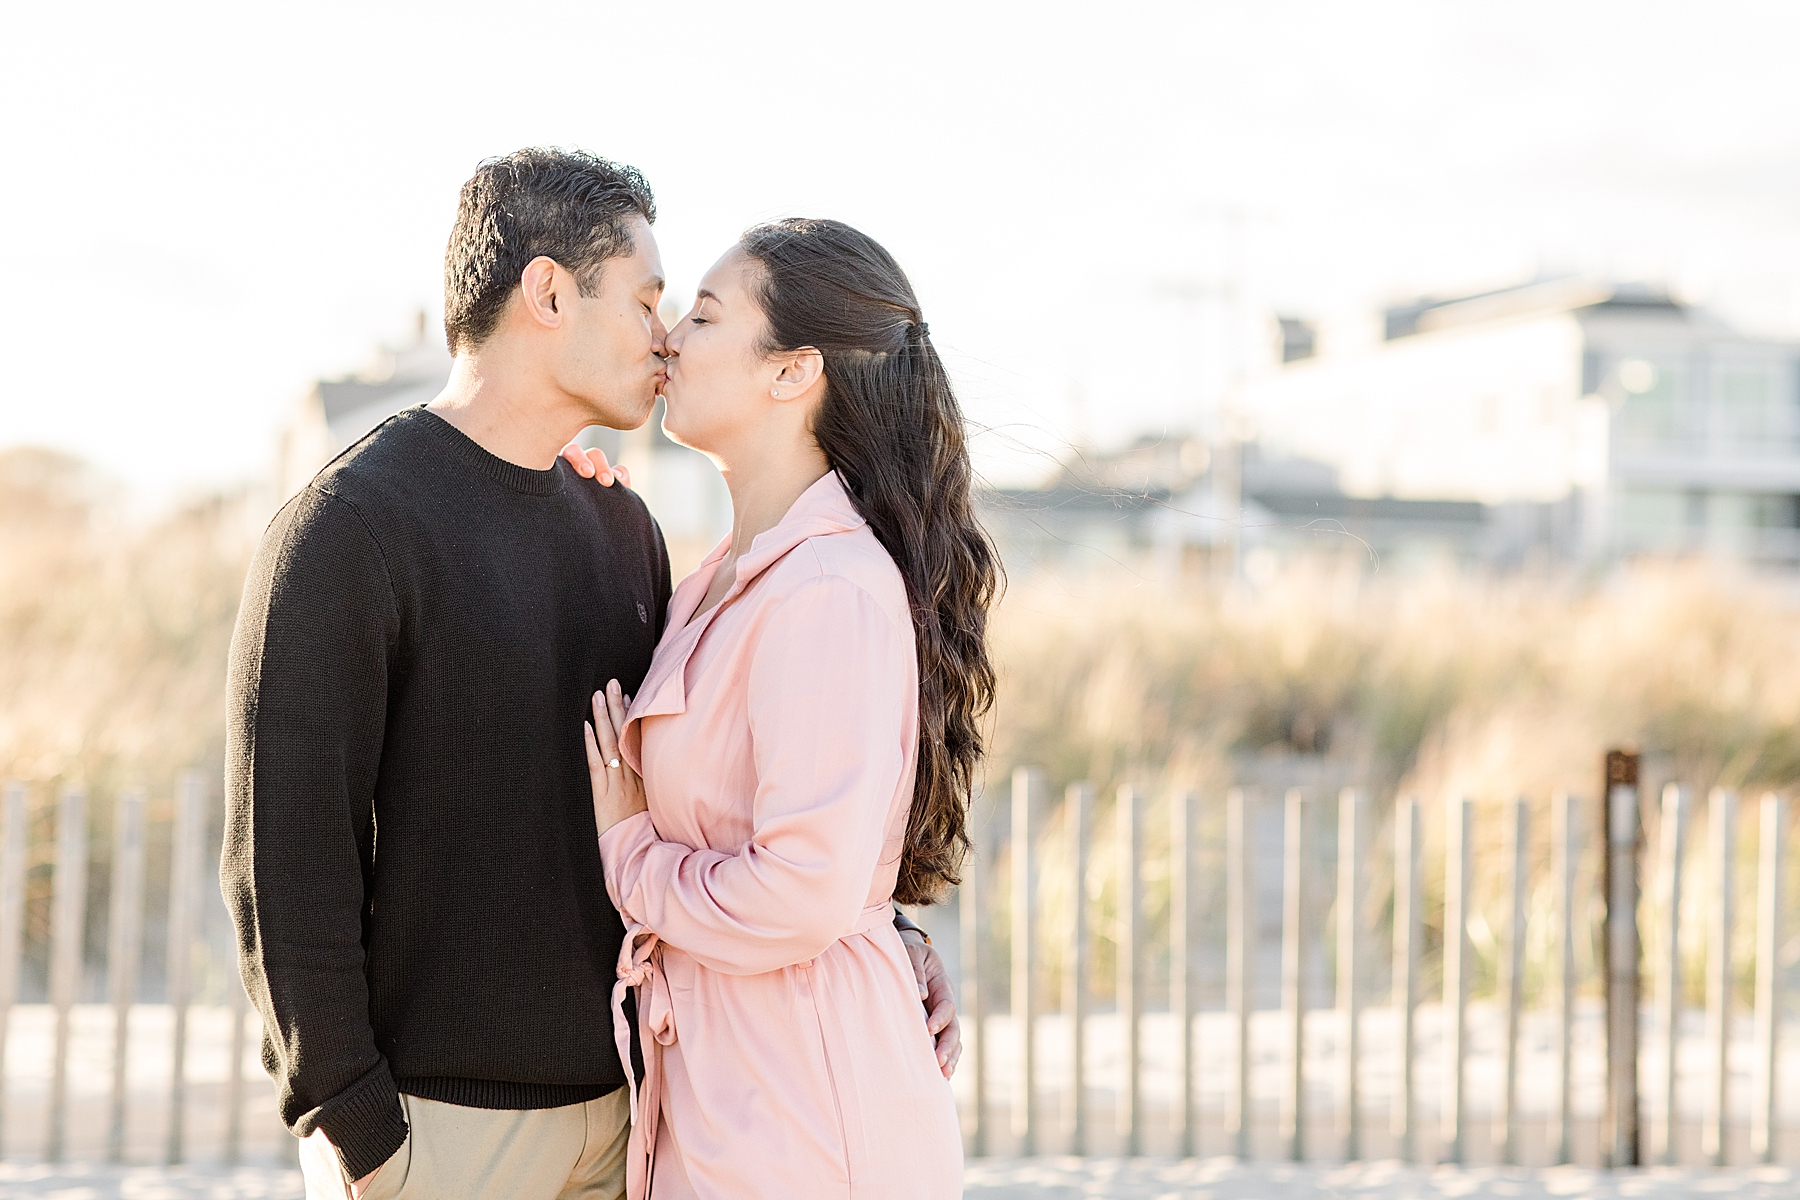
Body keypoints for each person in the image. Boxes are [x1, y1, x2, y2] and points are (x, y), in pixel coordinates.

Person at [222, 150, 959, 1200]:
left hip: (638, 1121)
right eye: (652, 299)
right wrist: (356, 1126)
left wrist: (876, 925)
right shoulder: (347, 529)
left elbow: (735, 790)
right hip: (439, 1135)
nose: (664, 335)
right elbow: (283, 867)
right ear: (549, 292)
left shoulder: (624, 531)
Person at [580, 218, 997, 1199]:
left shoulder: (830, 589)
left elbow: (802, 889)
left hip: (806, 1122)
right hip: (733, 1099)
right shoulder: (718, 582)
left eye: (707, 315)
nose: (672, 335)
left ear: (791, 370)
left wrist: (632, 855)